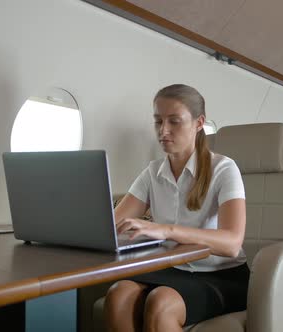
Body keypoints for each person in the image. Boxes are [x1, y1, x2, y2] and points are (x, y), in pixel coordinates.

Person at [104, 84, 249, 332]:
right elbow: (113, 225)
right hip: (172, 270)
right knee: (118, 295)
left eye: (174, 121)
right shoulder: (152, 173)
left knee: (161, 303)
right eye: (158, 121)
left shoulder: (224, 169)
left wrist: (166, 230)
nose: (163, 130)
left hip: (220, 275)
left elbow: (232, 243)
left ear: (198, 123)